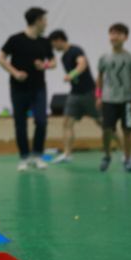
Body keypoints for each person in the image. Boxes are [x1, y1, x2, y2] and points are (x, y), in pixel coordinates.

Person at [0, 7, 55, 171]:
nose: (46, 23)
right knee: (20, 123)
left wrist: (44, 65)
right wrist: (15, 73)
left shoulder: (44, 42)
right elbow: (0, 59)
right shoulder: (15, 39)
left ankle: (37, 155)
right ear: (37, 21)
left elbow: (53, 63)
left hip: (39, 88)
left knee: (42, 121)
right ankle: (24, 157)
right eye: (44, 20)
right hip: (18, 88)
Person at [48, 30, 100, 163]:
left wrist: (71, 75)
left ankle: (125, 151)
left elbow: (82, 64)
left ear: (59, 40)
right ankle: (67, 154)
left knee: (103, 123)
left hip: (89, 93)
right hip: (74, 94)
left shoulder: (76, 50)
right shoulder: (63, 57)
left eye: (53, 44)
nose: (53, 48)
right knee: (67, 123)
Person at [96, 23, 131, 173]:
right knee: (106, 130)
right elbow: (99, 78)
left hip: (127, 100)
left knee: (128, 131)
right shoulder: (104, 57)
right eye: (112, 33)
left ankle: (127, 159)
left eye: (118, 34)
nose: (114, 37)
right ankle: (107, 156)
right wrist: (98, 96)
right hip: (108, 100)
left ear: (125, 37)